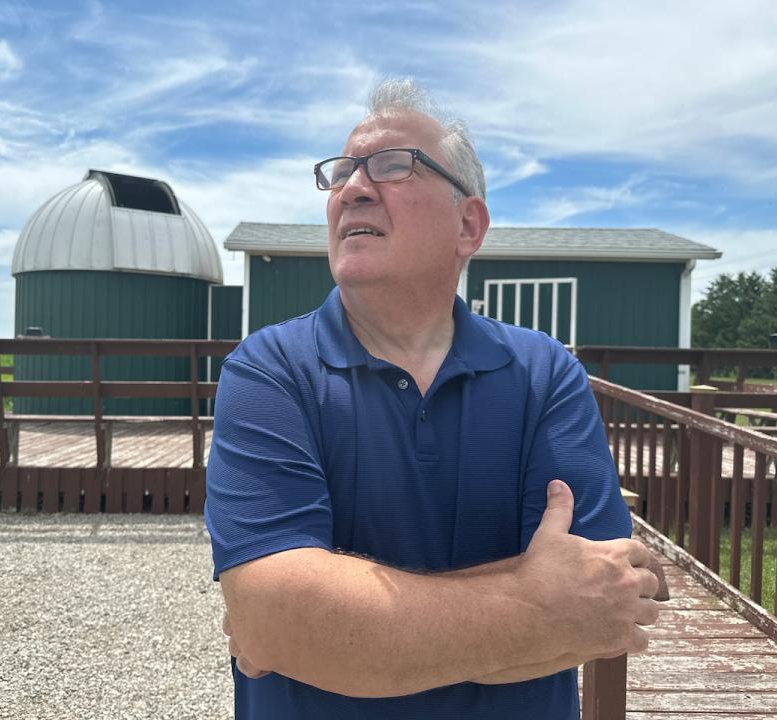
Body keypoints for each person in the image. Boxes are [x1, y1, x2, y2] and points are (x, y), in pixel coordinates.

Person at [204, 79, 663, 719]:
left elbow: (604, 601)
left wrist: (327, 628)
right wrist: (538, 602)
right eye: (341, 173)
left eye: (393, 167)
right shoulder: (269, 370)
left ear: (467, 224)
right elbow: (274, 623)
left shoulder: (543, 374)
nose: (353, 189)